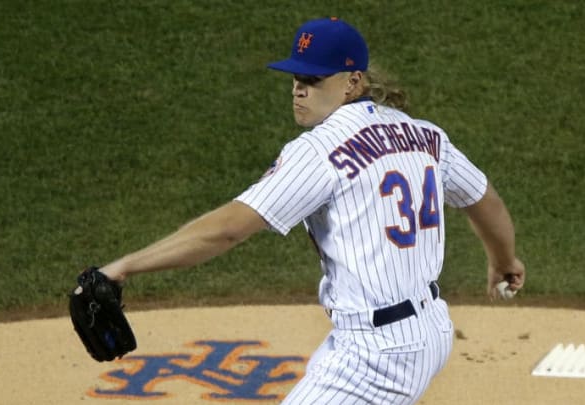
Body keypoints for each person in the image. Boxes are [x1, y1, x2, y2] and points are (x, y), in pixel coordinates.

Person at [98, 17, 525, 404]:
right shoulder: (424, 135)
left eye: (313, 79)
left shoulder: (319, 150)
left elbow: (228, 229)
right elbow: (483, 198)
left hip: (378, 354)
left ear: (352, 82)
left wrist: (123, 267)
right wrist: (504, 261)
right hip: (429, 329)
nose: (298, 89)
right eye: (296, 77)